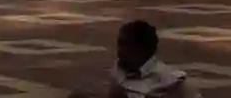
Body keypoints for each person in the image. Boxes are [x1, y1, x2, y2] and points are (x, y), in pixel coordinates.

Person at [70, 19, 202, 98]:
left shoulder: (174, 83)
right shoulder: (113, 72)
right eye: (120, 44)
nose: (120, 51)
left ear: (142, 49)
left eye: (125, 45)